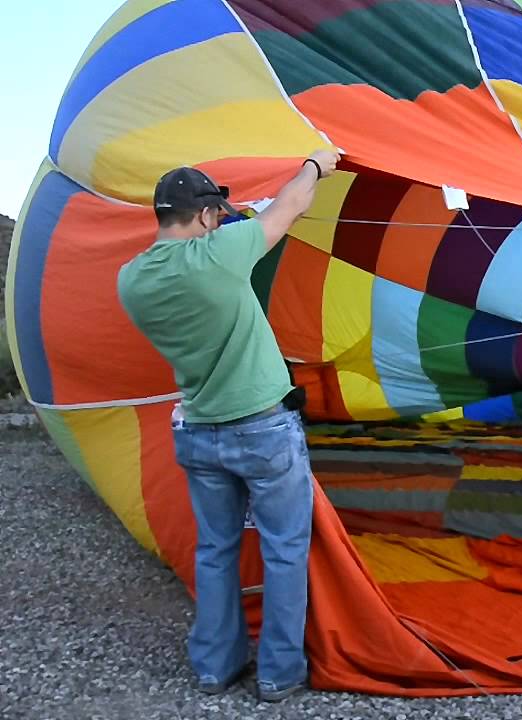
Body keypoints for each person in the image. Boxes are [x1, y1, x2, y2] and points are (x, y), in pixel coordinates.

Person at [117, 149, 340, 702]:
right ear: (202, 216)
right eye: (216, 213)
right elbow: (289, 206)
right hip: (262, 430)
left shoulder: (131, 280)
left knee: (215, 549)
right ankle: (278, 672)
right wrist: (315, 164)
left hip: (198, 432)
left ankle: (216, 666)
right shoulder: (219, 255)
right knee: (284, 549)